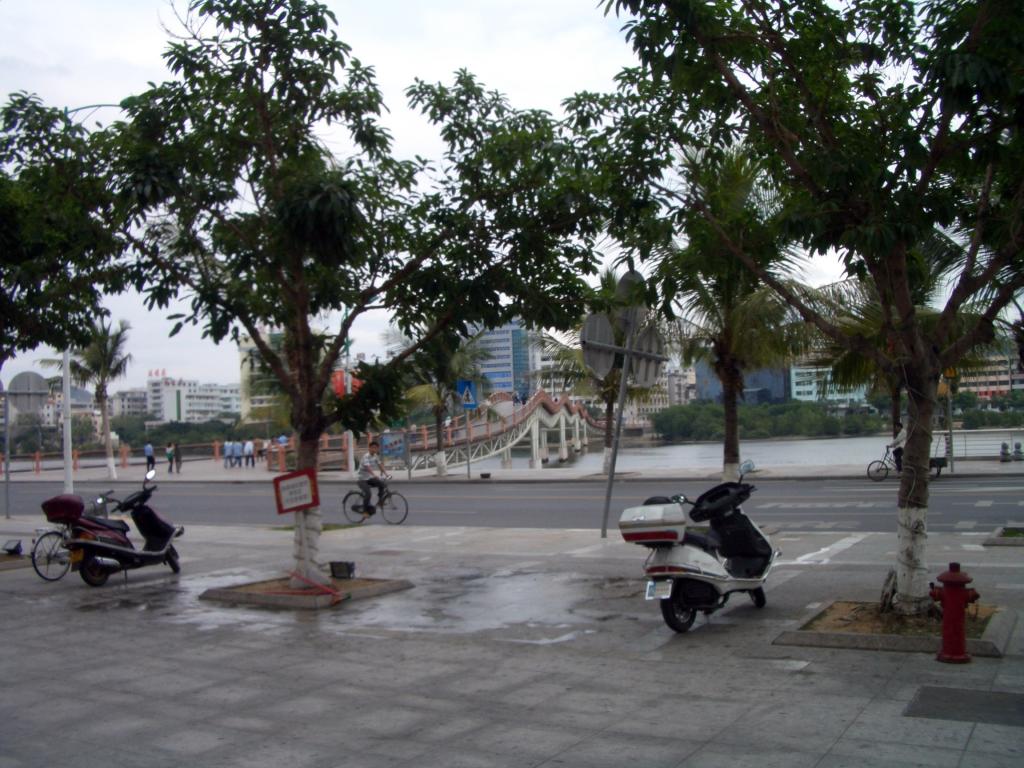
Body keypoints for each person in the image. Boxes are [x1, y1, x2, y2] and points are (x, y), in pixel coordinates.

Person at [357, 441, 389, 518]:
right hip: (362, 479)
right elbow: (368, 468)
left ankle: (380, 501)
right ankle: (365, 511)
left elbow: (380, 465)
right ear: (369, 448)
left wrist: (386, 474)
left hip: (369, 478)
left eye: (376, 448)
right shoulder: (366, 456)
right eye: (373, 447)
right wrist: (374, 475)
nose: (374, 449)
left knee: (382, 484)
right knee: (368, 494)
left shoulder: (375, 456)